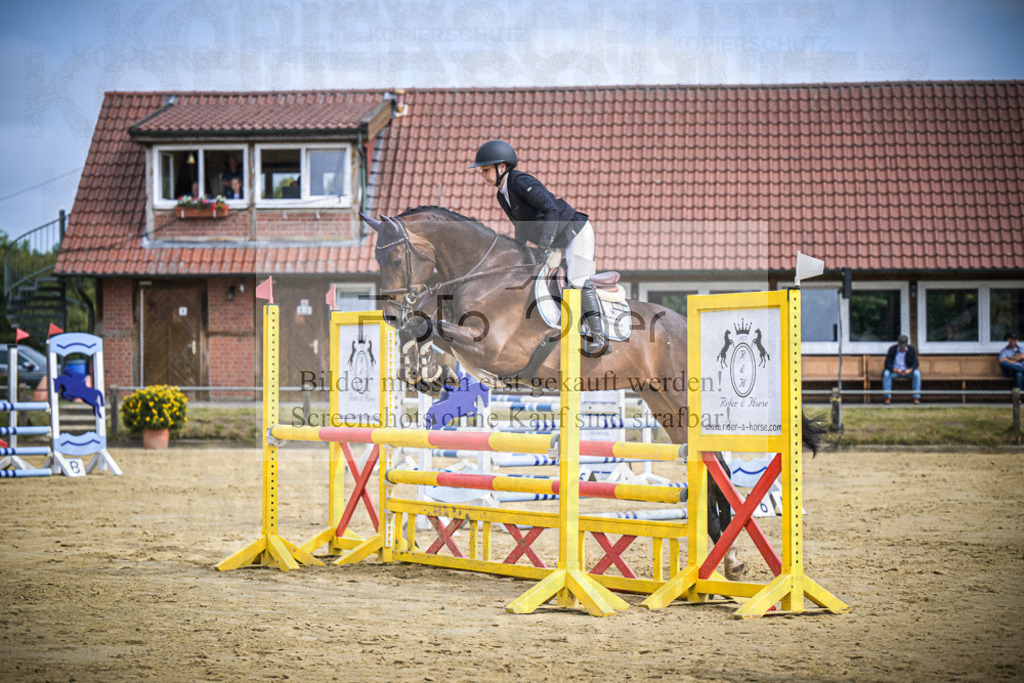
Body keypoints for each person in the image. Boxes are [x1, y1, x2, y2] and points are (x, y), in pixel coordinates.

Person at [468, 139, 604, 354]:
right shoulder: (502, 194)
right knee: (534, 277)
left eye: (485, 170)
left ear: (502, 167)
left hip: (575, 232)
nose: (482, 175)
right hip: (556, 239)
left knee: (577, 280)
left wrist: (543, 246)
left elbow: (551, 210)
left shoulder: (520, 182)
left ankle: (599, 335)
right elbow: (521, 226)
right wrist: (518, 251)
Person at [883, 334, 921, 404]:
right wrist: (895, 370)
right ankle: (887, 397)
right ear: (898, 343)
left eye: (904, 346)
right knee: (886, 373)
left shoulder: (911, 349)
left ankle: (916, 397)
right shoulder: (892, 349)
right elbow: (887, 364)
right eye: (901, 346)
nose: (903, 348)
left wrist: (910, 370)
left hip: (907, 372)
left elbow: (916, 363)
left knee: (917, 373)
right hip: (895, 372)